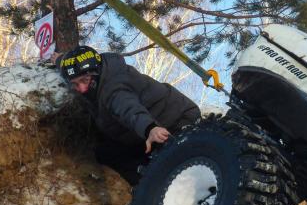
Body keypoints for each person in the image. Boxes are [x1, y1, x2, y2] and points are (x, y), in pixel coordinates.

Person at [56, 45, 201, 185]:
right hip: (141, 134)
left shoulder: (114, 88)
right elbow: (72, 69)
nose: (81, 88)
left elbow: (129, 109)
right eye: (75, 84)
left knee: (171, 168)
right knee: (105, 154)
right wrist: (59, 60)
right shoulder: (92, 83)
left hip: (175, 122)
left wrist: (150, 128)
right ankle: (142, 182)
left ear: (96, 73)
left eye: (84, 81)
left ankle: (158, 188)